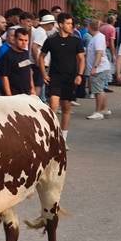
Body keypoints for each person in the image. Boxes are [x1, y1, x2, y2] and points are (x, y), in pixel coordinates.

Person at [40, 13, 85, 145]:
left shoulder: (76, 40)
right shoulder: (51, 40)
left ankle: (63, 139)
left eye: (71, 23)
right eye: (68, 23)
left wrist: (79, 75)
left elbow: (81, 59)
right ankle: (51, 136)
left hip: (70, 78)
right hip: (55, 77)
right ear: (60, 24)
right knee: (53, 106)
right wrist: (44, 74)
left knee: (66, 108)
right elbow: (41, 57)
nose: (71, 26)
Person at [85, 19, 113, 120]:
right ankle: (104, 109)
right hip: (100, 68)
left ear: (89, 27)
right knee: (100, 89)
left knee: (98, 91)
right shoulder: (97, 37)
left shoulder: (98, 38)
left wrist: (94, 67)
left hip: (99, 68)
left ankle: (98, 112)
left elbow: (99, 53)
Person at [0, 27, 34, 96]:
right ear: (15, 39)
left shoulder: (26, 53)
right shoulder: (7, 56)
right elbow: (4, 77)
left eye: (26, 40)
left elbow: (29, 71)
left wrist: (32, 89)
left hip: (27, 93)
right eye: (21, 40)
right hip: (14, 94)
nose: (24, 43)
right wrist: (9, 95)